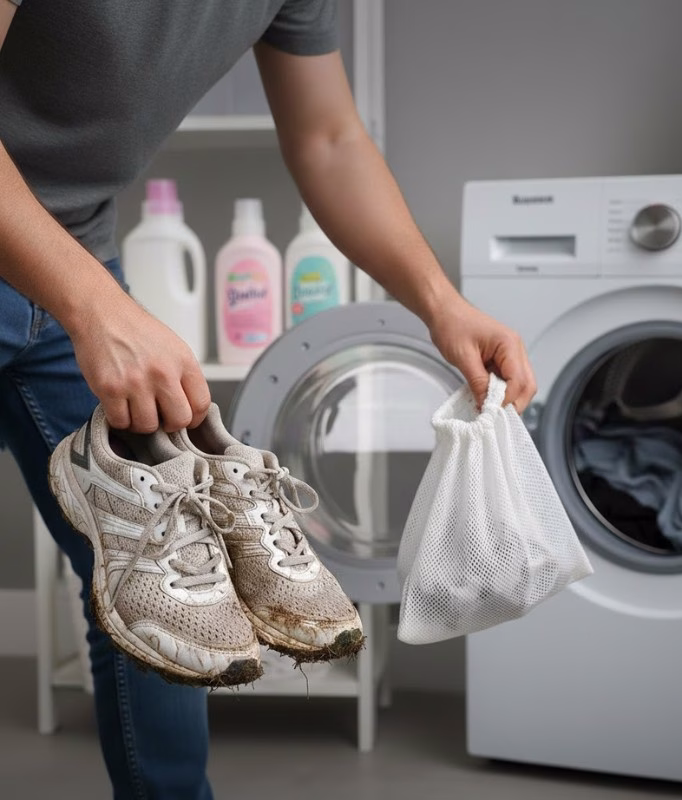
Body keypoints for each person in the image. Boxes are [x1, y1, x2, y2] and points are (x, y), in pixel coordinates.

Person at [0, 1, 537, 797]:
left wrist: (441, 304)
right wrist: (97, 309)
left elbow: (330, 138)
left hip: (63, 244)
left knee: (162, 587)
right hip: (60, 266)